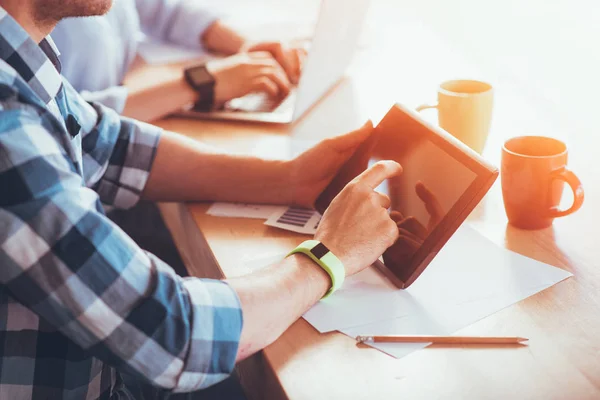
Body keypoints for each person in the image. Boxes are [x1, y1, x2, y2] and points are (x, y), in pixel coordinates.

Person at [0, 1, 402, 399]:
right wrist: (329, 256)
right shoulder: (7, 124)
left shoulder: (19, 55)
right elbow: (172, 335)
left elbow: (108, 146)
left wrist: (287, 179)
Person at [51, 0, 305, 121]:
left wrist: (246, 46)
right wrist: (198, 84)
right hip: (86, 173)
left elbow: (165, 10)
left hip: (116, 140)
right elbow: (64, 121)